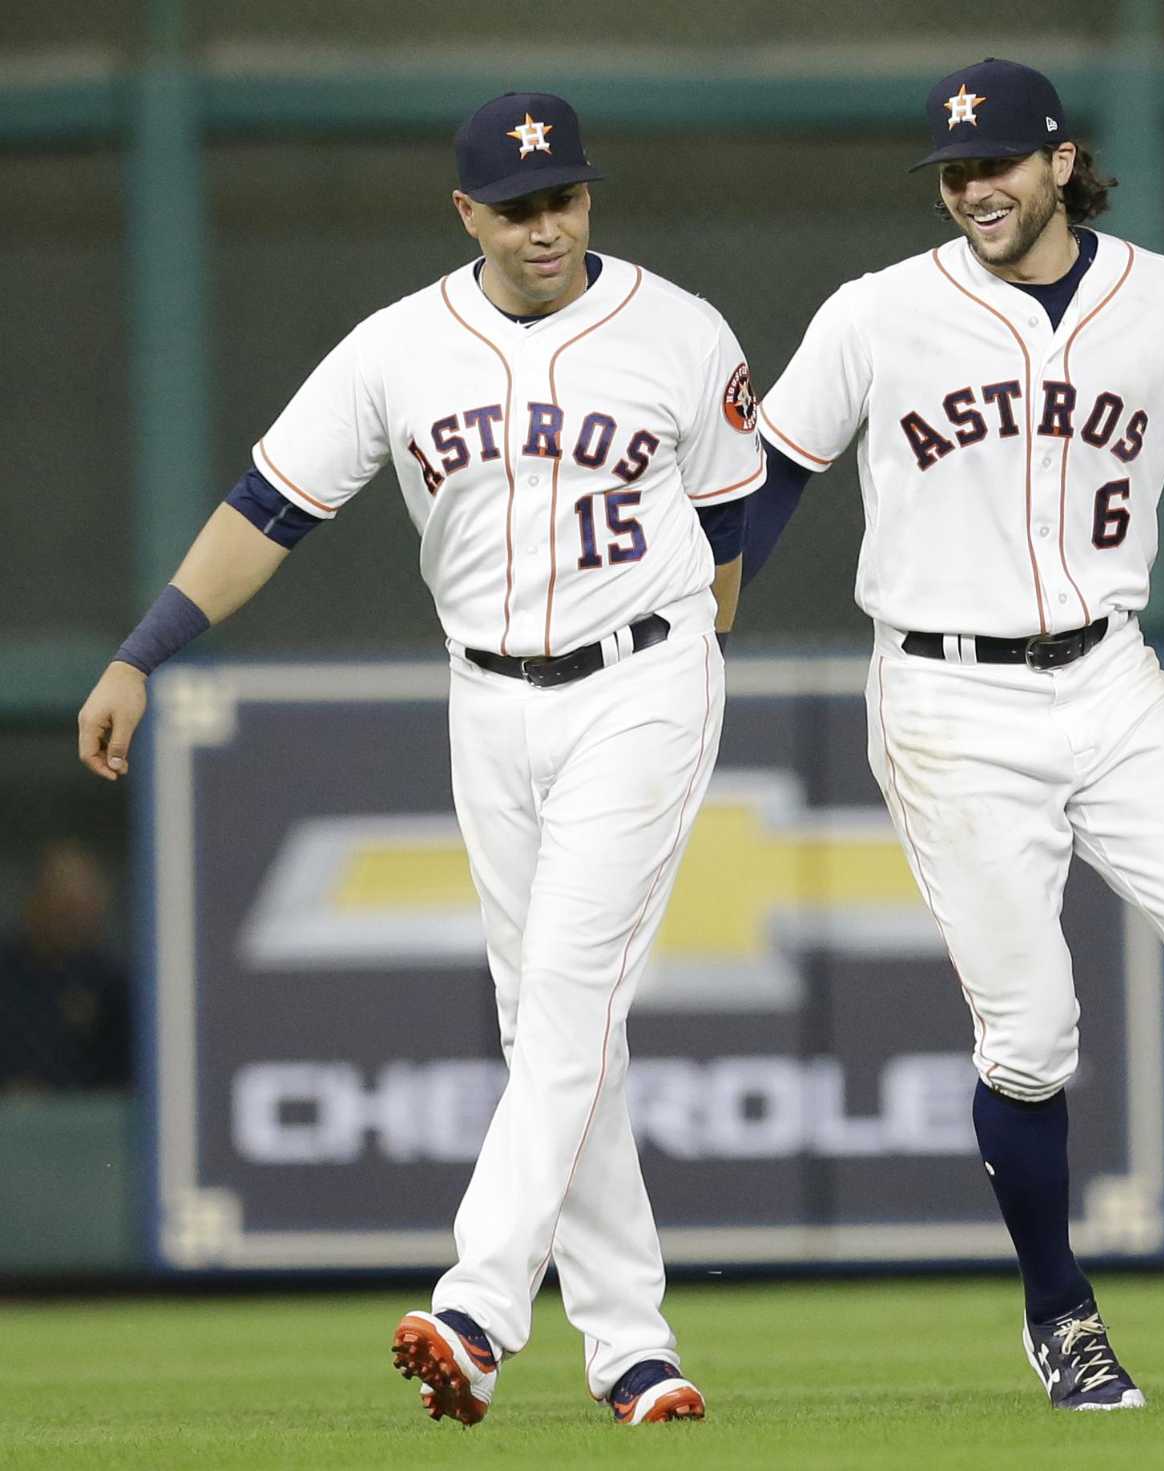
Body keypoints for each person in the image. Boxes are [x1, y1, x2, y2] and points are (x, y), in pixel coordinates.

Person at [75, 91, 764, 1427]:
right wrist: (140, 652)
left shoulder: (681, 331)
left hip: (643, 682)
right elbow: (269, 507)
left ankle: (478, 1308)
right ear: (467, 214)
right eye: (517, 205)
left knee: (566, 993)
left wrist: (683, 640)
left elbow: (732, 536)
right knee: (556, 1024)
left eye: (563, 195)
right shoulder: (398, 347)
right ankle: (634, 1349)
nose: (546, 222)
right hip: (487, 699)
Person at [744, 58, 1164, 1409]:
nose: (974, 189)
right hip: (948, 695)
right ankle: (1059, 1306)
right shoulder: (879, 313)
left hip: (1113, 672)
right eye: (954, 170)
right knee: (1033, 1035)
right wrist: (699, 626)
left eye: (998, 164)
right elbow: (771, 481)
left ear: (1061, 162)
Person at [0, 840, 132, 1092]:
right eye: (64, 909)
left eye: (82, 909)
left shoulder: (112, 986)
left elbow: (127, 1083)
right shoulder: (5, 973)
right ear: (35, 903)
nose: (74, 922)